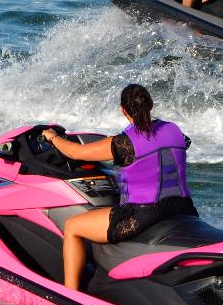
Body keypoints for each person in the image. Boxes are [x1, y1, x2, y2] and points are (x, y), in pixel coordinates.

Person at [42, 84, 196, 291]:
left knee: (73, 227)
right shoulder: (174, 130)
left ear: (123, 109)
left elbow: (76, 152)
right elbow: (174, 145)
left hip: (144, 214)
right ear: (150, 105)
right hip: (182, 207)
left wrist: (52, 137)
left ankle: (71, 294)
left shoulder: (124, 143)